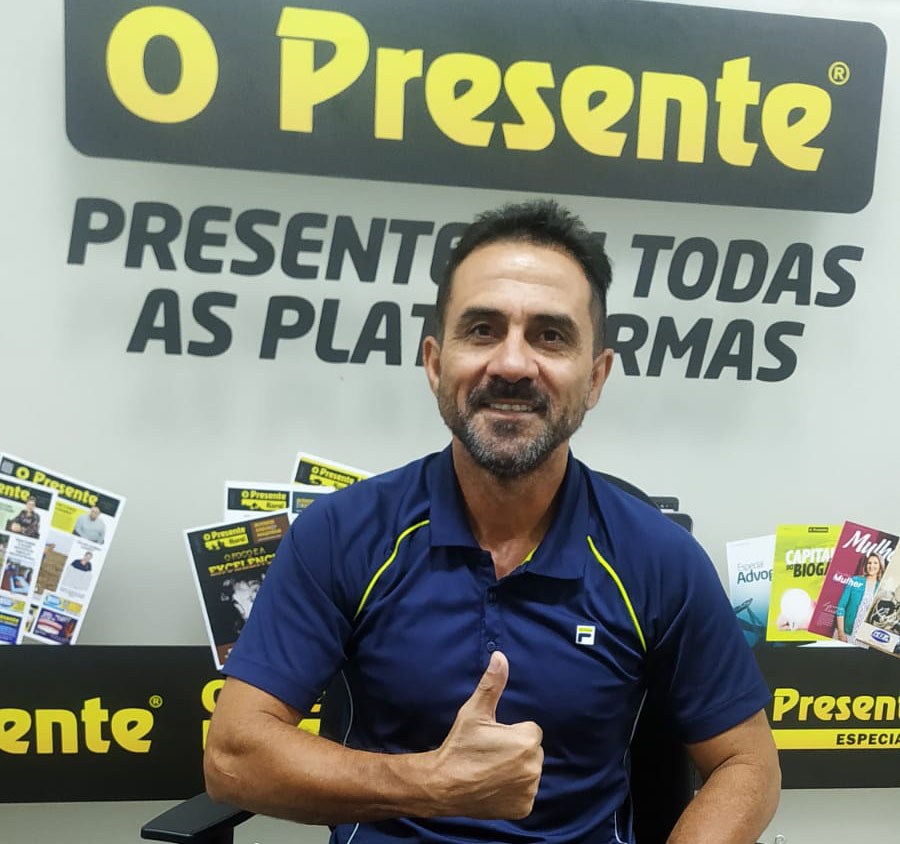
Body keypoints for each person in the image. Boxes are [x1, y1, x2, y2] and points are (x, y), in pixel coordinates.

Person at [205, 200, 780, 844]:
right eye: (482, 330)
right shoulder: (341, 534)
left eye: (550, 335)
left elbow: (747, 763)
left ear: (595, 378)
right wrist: (434, 783)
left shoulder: (659, 558)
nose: (512, 364)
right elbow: (233, 757)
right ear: (434, 364)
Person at [835, 552, 884, 642]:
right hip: (846, 632)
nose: (871, 566)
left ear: (880, 566)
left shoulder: (880, 588)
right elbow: (841, 606)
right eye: (869, 563)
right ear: (866, 565)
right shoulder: (855, 580)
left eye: (875, 563)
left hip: (865, 637)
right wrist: (841, 633)